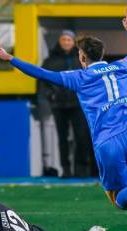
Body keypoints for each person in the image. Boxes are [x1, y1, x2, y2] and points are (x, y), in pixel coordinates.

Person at [0, 9, 127, 231]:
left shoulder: (80, 77)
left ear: (82, 57)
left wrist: (11, 58)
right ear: (102, 54)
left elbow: (42, 73)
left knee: (121, 198)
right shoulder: (122, 67)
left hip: (108, 143)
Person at [39, 30, 92, 178]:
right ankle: (66, 170)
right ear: (60, 41)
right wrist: (51, 95)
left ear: (73, 42)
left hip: (79, 105)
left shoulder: (82, 59)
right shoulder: (50, 60)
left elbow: (89, 78)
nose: (66, 42)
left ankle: (82, 170)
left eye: (69, 40)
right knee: (62, 139)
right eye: (64, 40)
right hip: (59, 106)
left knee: (81, 137)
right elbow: (43, 80)